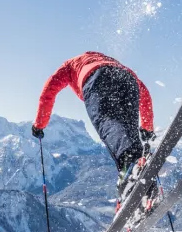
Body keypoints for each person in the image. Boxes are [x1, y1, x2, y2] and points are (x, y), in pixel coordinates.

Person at [31, 51, 156, 200]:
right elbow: (145, 94)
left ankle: (131, 167)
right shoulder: (112, 62)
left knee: (108, 123)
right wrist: (148, 127)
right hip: (129, 81)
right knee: (129, 132)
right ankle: (145, 189)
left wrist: (39, 125)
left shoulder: (70, 65)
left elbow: (49, 90)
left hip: (97, 79)